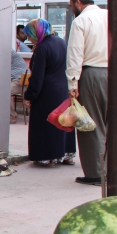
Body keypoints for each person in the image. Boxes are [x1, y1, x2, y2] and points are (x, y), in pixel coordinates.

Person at [65, 0, 117, 185]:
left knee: (90, 123)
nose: (72, 10)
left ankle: (95, 173)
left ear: (77, 2)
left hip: (92, 74)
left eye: (71, 6)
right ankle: (110, 169)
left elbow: (75, 53)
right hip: (116, 74)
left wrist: (72, 82)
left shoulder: (81, 21)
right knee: (110, 124)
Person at [22, 19, 76, 166]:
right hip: (62, 90)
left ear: (36, 33)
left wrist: (30, 95)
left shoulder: (42, 48)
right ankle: (66, 154)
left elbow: (37, 76)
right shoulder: (61, 42)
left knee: (46, 125)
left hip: (46, 93)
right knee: (62, 121)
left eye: (30, 35)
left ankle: (48, 157)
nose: (29, 39)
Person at [9, 46, 28, 124]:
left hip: (20, 80)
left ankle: (11, 116)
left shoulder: (6, 52)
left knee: (5, 92)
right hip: (17, 79)